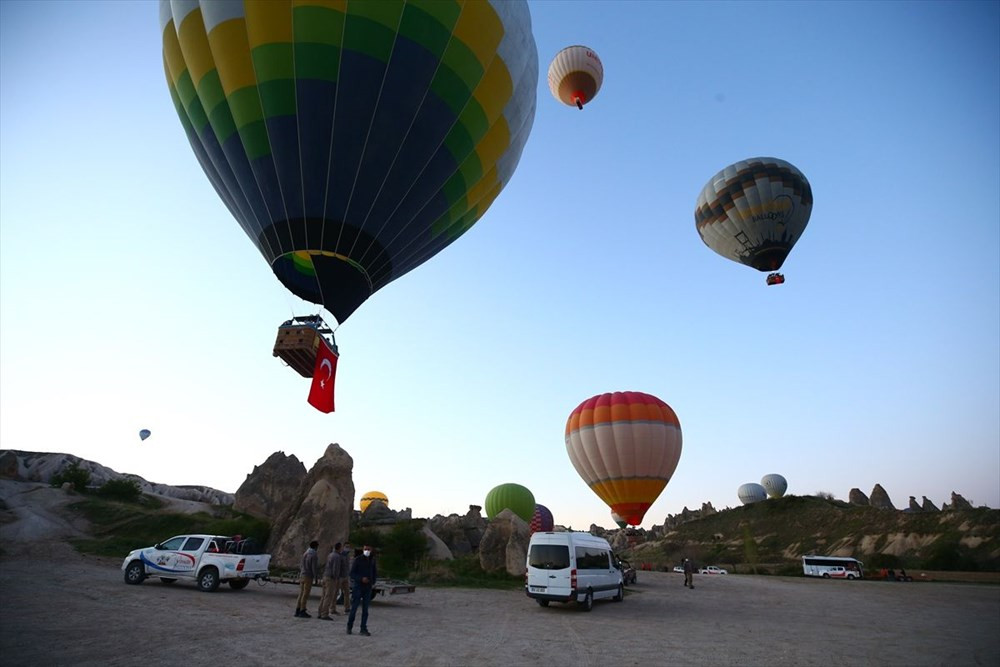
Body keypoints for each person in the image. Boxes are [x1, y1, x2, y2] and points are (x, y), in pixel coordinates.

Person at [346, 544, 377, 636]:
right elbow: (352, 573)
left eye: (368, 549)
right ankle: (349, 626)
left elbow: (374, 572)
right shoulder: (358, 560)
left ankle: (363, 628)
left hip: (368, 587)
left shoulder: (372, 560)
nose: (367, 551)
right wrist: (361, 579)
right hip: (358, 586)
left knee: (365, 610)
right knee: (354, 608)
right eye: (365, 549)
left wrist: (372, 581)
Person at [295, 540, 319, 618]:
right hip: (308, 576)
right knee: (305, 594)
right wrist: (315, 577)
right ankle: (303, 610)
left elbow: (301, 564)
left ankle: (297, 609)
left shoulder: (305, 553)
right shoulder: (314, 555)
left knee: (301, 593)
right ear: (316, 547)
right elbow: (313, 567)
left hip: (302, 574)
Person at [317, 543, 341, 620]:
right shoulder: (337, 556)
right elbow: (335, 569)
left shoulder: (330, 555)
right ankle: (324, 614)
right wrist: (336, 578)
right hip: (331, 578)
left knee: (323, 596)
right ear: (339, 548)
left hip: (325, 576)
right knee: (328, 596)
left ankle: (320, 612)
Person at [334, 542, 352, 614]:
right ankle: (332, 607)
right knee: (335, 592)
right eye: (346, 546)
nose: (348, 548)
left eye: (349, 547)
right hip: (340, 576)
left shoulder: (347, 556)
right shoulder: (339, 555)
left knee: (347, 593)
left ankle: (347, 607)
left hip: (346, 576)